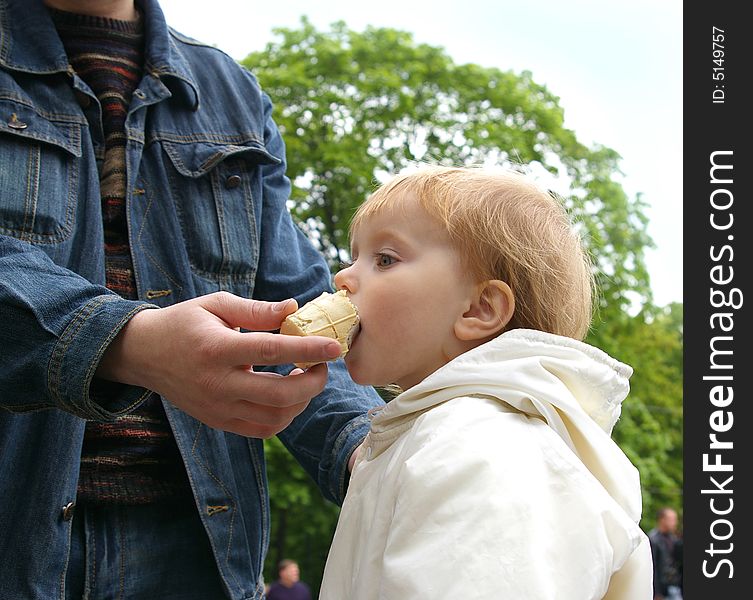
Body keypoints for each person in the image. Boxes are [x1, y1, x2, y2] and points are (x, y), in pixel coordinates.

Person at [0, 1, 383, 598]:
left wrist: (369, 451)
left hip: (202, 558)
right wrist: (124, 342)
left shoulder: (230, 92)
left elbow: (294, 305)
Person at [318, 165, 654, 599]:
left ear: (478, 309)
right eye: (353, 255)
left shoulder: (479, 446)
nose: (342, 277)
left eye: (385, 259)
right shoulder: (421, 436)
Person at [649, 508, 684, 600]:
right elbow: (652, 567)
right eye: (672, 519)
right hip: (661, 589)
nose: (675, 523)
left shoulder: (674, 538)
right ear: (662, 520)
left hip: (674, 586)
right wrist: (656, 592)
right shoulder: (653, 539)